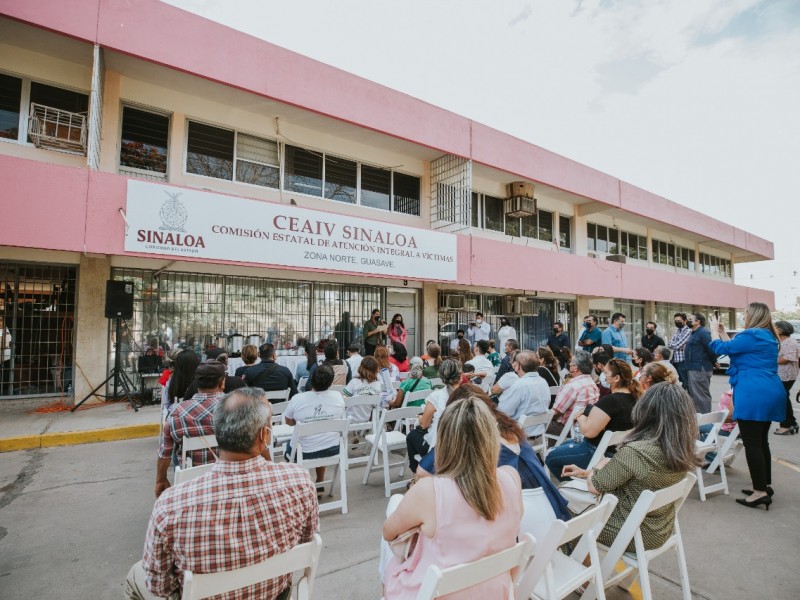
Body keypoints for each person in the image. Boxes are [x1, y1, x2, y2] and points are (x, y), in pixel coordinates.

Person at [126, 388, 319, 600]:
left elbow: (160, 588)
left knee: (136, 573)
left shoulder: (171, 505)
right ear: (264, 435)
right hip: (276, 594)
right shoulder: (299, 482)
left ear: (218, 432)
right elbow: (307, 541)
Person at [382, 396, 523, 598]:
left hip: (440, 592)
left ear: (444, 441)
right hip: (496, 590)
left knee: (391, 558)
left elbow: (388, 533)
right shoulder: (511, 477)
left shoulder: (430, 490)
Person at [561, 382, 702, 552]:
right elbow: (638, 476)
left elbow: (595, 486)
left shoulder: (637, 451)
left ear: (646, 412)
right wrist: (587, 472)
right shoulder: (679, 448)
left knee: (560, 511)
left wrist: (598, 468)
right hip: (659, 528)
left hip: (631, 531)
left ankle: (580, 569)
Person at [416, 384, 570, 520]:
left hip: (517, 516)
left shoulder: (473, 436)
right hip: (547, 505)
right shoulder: (509, 428)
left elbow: (422, 472)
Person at [710, 303, 785, 509]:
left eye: (745, 314)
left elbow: (720, 349)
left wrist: (714, 332)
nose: (743, 317)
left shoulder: (751, 334)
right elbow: (736, 351)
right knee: (761, 441)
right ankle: (764, 485)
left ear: (752, 315)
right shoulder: (767, 335)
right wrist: (724, 333)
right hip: (769, 388)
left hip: (753, 391)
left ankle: (759, 492)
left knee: (752, 442)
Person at [545, 358, 641, 481]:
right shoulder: (635, 398)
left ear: (616, 378)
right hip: (617, 450)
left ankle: (576, 486)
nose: (603, 376)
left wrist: (580, 417)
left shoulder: (611, 401)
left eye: (606, 373)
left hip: (599, 452)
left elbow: (588, 432)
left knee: (551, 457)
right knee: (564, 445)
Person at [155, 360, 227, 498]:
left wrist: (160, 480)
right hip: (229, 479)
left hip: (192, 484)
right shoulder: (239, 407)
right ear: (222, 382)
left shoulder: (177, 412)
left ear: (196, 383)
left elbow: (165, 453)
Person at [284, 365, 347, 486]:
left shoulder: (297, 399)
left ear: (311, 379)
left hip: (304, 452)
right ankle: (320, 479)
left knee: (295, 444)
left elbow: (289, 422)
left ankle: (302, 483)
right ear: (330, 382)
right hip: (332, 449)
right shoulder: (338, 397)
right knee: (321, 437)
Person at [405, 359, 461, 472]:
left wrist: (421, 418)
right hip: (462, 445)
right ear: (460, 376)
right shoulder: (467, 393)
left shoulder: (436, 396)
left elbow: (424, 424)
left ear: (442, 378)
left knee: (411, 436)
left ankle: (417, 473)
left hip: (440, 448)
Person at [497, 350, 550, 437]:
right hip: (539, 436)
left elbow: (502, 413)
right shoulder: (543, 382)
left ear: (517, 365)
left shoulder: (520, 385)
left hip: (518, 438)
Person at [549, 350, 599, 438]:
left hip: (569, 429)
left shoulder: (572, 386)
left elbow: (555, 412)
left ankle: (551, 450)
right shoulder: (593, 384)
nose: (569, 365)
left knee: (538, 425)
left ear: (575, 368)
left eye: (570, 363)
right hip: (586, 426)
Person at [684, 313, 717, 414]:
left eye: (690, 319)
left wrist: (714, 361)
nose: (688, 321)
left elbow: (711, 349)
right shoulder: (694, 332)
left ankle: (705, 421)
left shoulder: (703, 332)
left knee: (701, 396)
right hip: (692, 368)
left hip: (700, 368)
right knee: (694, 396)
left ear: (698, 322)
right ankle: (698, 420)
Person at [774, 321, 799, 435]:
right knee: (784, 398)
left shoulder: (790, 342)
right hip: (781, 375)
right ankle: (792, 423)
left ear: (781, 329)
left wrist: (770, 361)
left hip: (787, 376)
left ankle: (785, 425)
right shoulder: (780, 341)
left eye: (775, 327)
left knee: (780, 399)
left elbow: (787, 358)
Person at [342, 355, 383, 422]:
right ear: (376, 370)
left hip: (349, 420)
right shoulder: (377, 385)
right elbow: (375, 405)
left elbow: (344, 399)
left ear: (360, 368)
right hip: (366, 419)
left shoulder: (354, 382)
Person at [668, 312, 691, 389]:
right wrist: (675, 345)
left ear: (685, 321)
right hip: (675, 361)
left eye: (679, 321)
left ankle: (688, 399)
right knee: (678, 383)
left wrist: (675, 345)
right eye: (675, 321)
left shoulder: (688, 331)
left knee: (686, 383)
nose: (677, 322)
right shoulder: (678, 330)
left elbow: (678, 345)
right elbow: (669, 344)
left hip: (683, 361)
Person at [0, 315, 11, 395]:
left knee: (5, 372)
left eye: (1, 320)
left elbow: (8, 340)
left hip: (5, 355)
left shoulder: (6, 329)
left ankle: (4, 388)